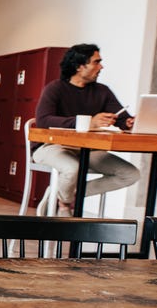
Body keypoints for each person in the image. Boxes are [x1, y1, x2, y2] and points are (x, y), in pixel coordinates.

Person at [32, 43, 139, 216]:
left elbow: (121, 118)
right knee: (72, 168)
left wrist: (128, 122)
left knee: (130, 174)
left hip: (88, 150)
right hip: (51, 146)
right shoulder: (55, 88)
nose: (101, 67)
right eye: (96, 62)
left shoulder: (102, 91)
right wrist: (89, 123)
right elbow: (43, 121)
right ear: (79, 66)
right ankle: (64, 204)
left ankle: (64, 196)